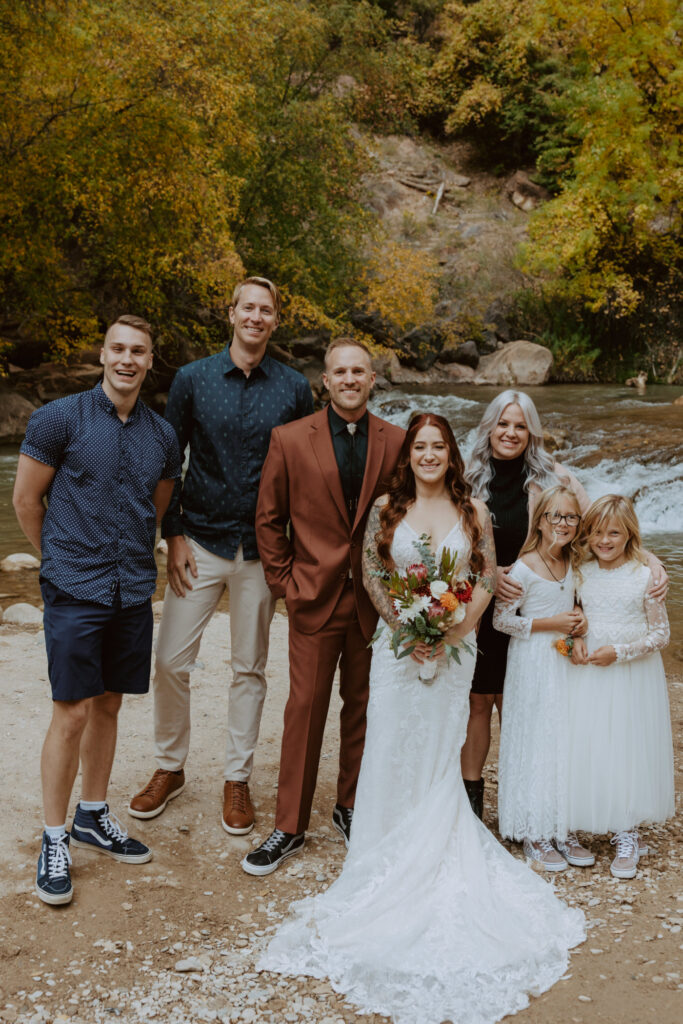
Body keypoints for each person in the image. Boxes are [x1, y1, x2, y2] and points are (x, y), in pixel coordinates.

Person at [257, 414, 585, 1024]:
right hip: (398, 649)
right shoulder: (387, 505)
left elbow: (485, 574)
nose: (429, 455)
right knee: (389, 744)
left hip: (456, 648)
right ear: (407, 455)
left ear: (452, 455)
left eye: (439, 446)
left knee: (440, 749)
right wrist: (408, 623)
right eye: (420, 447)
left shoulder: (474, 510)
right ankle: (382, 849)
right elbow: (374, 574)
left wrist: (456, 626)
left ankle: (441, 843)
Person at [128, 278, 313, 835]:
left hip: (263, 548)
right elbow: (169, 458)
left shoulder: (294, 387)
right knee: (170, 661)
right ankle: (170, 766)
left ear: (276, 320)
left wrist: (295, 549)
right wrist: (174, 533)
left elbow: (304, 472)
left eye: (266, 310)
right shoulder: (192, 378)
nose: (256, 317)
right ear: (231, 313)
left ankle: (237, 778)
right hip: (200, 544)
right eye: (247, 308)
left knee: (249, 669)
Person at [13, 315, 182, 906]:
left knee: (110, 703)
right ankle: (54, 836)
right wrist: (57, 560)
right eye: (118, 348)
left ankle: (92, 814)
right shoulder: (58, 418)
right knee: (71, 711)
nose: (127, 359)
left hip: (132, 589)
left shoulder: (162, 435)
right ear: (103, 354)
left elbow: (154, 509)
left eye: (138, 350)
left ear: (150, 360)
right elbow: (26, 500)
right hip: (74, 587)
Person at [461, 389, 667, 819]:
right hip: (487, 608)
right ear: (489, 427)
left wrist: (649, 559)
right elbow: (451, 542)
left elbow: (602, 529)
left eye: (520, 425)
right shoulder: (466, 478)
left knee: (519, 706)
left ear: (532, 431)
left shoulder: (555, 477)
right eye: (503, 423)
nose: (510, 433)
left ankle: (527, 805)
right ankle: (471, 806)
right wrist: (487, 572)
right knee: (479, 703)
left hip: (539, 611)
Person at [242, 338, 404, 875]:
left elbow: (410, 516)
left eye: (360, 370)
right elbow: (269, 519)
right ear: (326, 381)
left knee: (363, 708)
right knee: (304, 711)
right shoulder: (289, 440)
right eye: (341, 371)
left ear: (372, 379)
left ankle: (351, 807)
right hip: (312, 596)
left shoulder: (398, 441)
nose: (350, 378)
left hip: (374, 603)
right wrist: (284, 581)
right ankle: (288, 826)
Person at [568, 495, 674, 879]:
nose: (604, 540)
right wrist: (576, 638)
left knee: (628, 746)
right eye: (596, 532)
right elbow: (574, 615)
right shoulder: (580, 570)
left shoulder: (646, 575)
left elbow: (661, 634)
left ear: (629, 534)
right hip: (592, 671)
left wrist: (622, 652)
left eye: (614, 532)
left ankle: (627, 832)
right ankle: (599, 816)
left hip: (630, 673)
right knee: (594, 742)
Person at [494, 484, 594, 871]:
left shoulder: (574, 563)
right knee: (534, 739)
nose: (563, 523)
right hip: (532, 661)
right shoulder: (525, 566)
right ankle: (533, 830)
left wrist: (579, 622)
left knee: (562, 740)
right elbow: (501, 621)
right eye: (556, 516)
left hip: (562, 660)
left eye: (571, 517)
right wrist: (551, 623)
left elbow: (577, 608)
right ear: (541, 521)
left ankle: (560, 826)